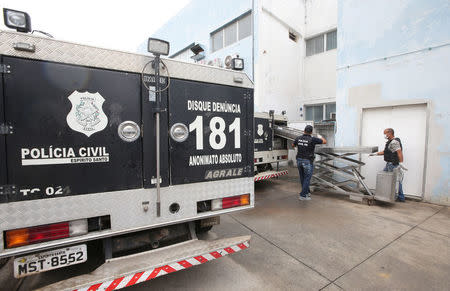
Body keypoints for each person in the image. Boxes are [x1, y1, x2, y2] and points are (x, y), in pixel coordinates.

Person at [369, 128, 406, 202]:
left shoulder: (394, 142)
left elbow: (399, 153)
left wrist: (401, 163)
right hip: (389, 164)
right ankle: (387, 195)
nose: (384, 135)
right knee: (390, 179)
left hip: (392, 165)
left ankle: (399, 197)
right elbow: (385, 152)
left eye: (385, 134)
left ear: (390, 133)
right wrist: (375, 154)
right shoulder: (390, 142)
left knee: (395, 181)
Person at [292, 125, 326, 200]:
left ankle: (307, 193)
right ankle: (303, 195)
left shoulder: (298, 138)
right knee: (307, 179)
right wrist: (320, 136)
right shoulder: (313, 139)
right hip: (307, 161)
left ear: (304, 131)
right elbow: (324, 141)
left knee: (302, 178)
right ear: (311, 132)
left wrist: (299, 147)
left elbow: (293, 145)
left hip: (299, 160)